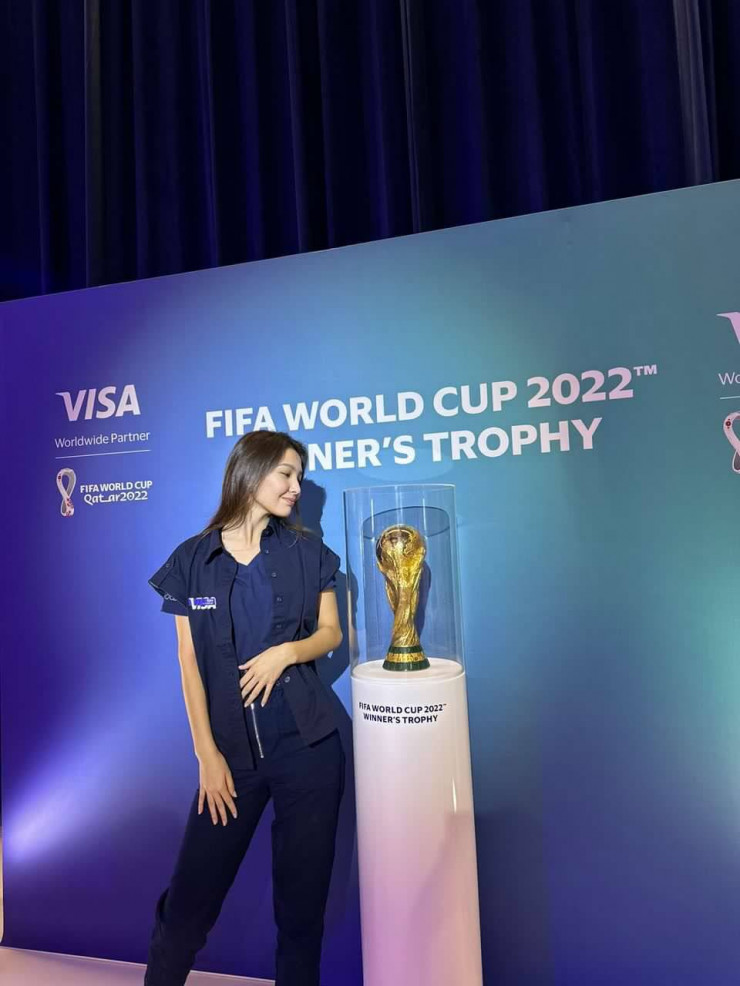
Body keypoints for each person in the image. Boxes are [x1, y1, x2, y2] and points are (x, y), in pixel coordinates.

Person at [144, 430, 345, 986]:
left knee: (301, 915)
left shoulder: (308, 552)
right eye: (286, 474)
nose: (296, 487)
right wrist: (207, 755)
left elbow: (332, 633)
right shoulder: (191, 559)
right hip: (230, 758)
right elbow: (189, 663)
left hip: (309, 749)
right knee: (187, 908)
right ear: (250, 473)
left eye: (300, 477)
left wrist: (286, 652)